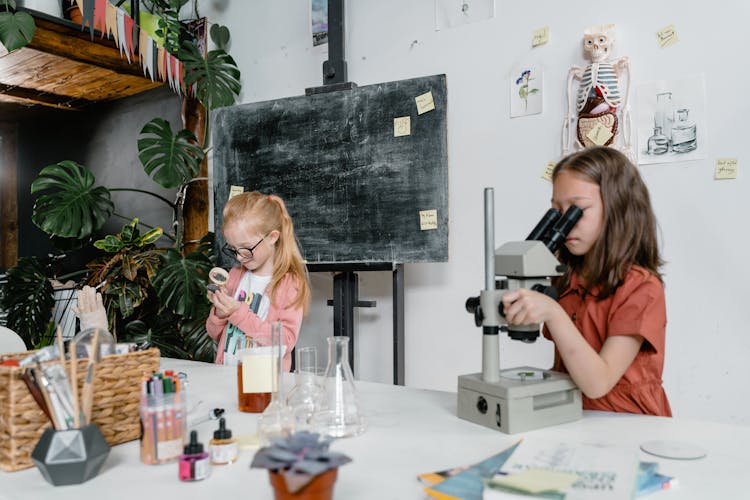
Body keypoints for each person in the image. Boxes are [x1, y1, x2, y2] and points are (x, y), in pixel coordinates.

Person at [501, 146, 671, 416]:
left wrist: (553, 313)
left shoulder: (641, 288)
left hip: (627, 424)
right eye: (557, 213)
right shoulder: (567, 279)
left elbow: (597, 383)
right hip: (575, 415)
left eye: (576, 211)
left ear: (617, 208)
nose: (564, 225)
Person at [206, 192, 311, 371]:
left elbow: (284, 343)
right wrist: (220, 314)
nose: (239, 257)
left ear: (272, 237)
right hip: (227, 375)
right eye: (233, 249)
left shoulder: (288, 284)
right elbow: (215, 334)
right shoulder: (235, 276)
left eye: (246, 249)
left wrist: (238, 313)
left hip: (266, 382)